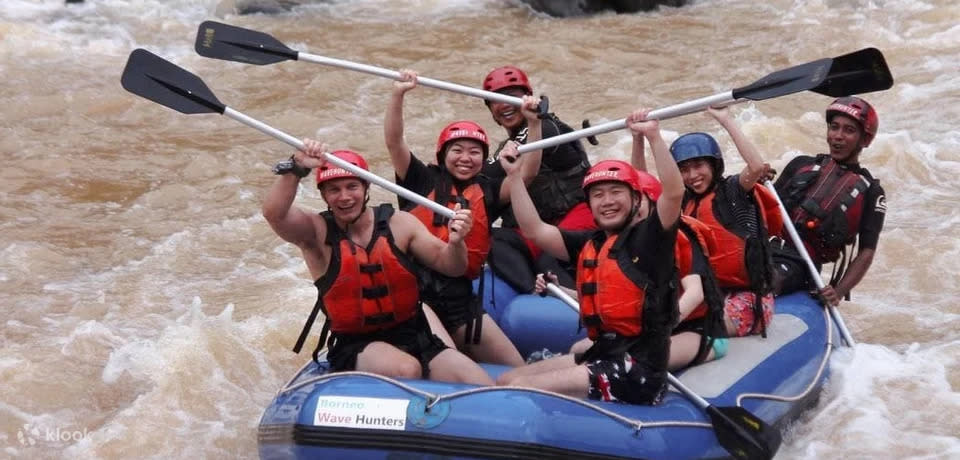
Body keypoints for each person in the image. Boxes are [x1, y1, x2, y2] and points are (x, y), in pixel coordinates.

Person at [262, 140, 493, 385]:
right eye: (334, 190)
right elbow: (274, 214)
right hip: (357, 345)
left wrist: (456, 243)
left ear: (366, 187)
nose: (344, 197)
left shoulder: (400, 224)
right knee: (407, 369)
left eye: (352, 186)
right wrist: (297, 167)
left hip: (416, 335)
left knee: (481, 383)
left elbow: (452, 266)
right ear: (323, 195)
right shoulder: (316, 232)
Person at [496, 108, 684, 405]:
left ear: (636, 200)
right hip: (602, 355)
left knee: (516, 388)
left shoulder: (651, 240)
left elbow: (673, 194)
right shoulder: (591, 243)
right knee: (506, 379)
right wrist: (515, 177)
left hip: (635, 371)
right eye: (598, 195)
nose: (607, 201)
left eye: (615, 192)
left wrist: (653, 136)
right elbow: (534, 231)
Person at [385, 70, 541, 366]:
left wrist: (534, 124)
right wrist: (398, 94)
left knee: (518, 367)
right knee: (449, 362)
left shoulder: (487, 188)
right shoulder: (420, 179)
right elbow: (394, 142)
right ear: (442, 155)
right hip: (415, 295)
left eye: (474, 152)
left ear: (483, 158)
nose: (465, 158)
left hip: (459, 296)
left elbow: (528, 173)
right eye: (457, 150)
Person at [480, 65, 596, 293]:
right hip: (538, 228)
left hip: (576, 218)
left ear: (527, 99)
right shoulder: (504, 149)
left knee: (548, 252)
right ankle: (530, 290)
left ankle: (572, 303)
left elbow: (512, 171)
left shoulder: (548, 127)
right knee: (491, 238)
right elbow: (486, 180)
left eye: (512, 97)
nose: (504, 105)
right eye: (496, 100)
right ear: (492, 113)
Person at [670, 106, 783, 338]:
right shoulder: (683, 203)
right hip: (708, 294)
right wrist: (641, 138)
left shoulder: (732, 193)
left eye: (698, 166)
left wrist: (725, 119)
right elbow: (643, 190)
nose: (692, 175)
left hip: (749, 298)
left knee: (694, 328)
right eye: (684, 169)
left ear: (714, 165)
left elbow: (755, 167)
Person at [772, 96, 886, 306]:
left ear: (864, 139)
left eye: (849, 130)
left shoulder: (872, 192)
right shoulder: (800, 164)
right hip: (767, 247)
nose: (838, 136)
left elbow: (866, 252)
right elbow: (764, 206)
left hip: (802, 264)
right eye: (834, 127)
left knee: (767, 279)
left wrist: (839, 291)